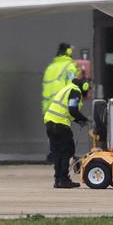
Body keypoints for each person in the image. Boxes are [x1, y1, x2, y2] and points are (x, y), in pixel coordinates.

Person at [41, 42, 86, 189]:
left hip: (50, 114)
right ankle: (63, 179)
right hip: (61, 118)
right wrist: (82, 118)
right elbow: (72, 106)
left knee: (57, 152)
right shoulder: (70, 69)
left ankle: (58, 179)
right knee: (67, 150)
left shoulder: (51, 68)